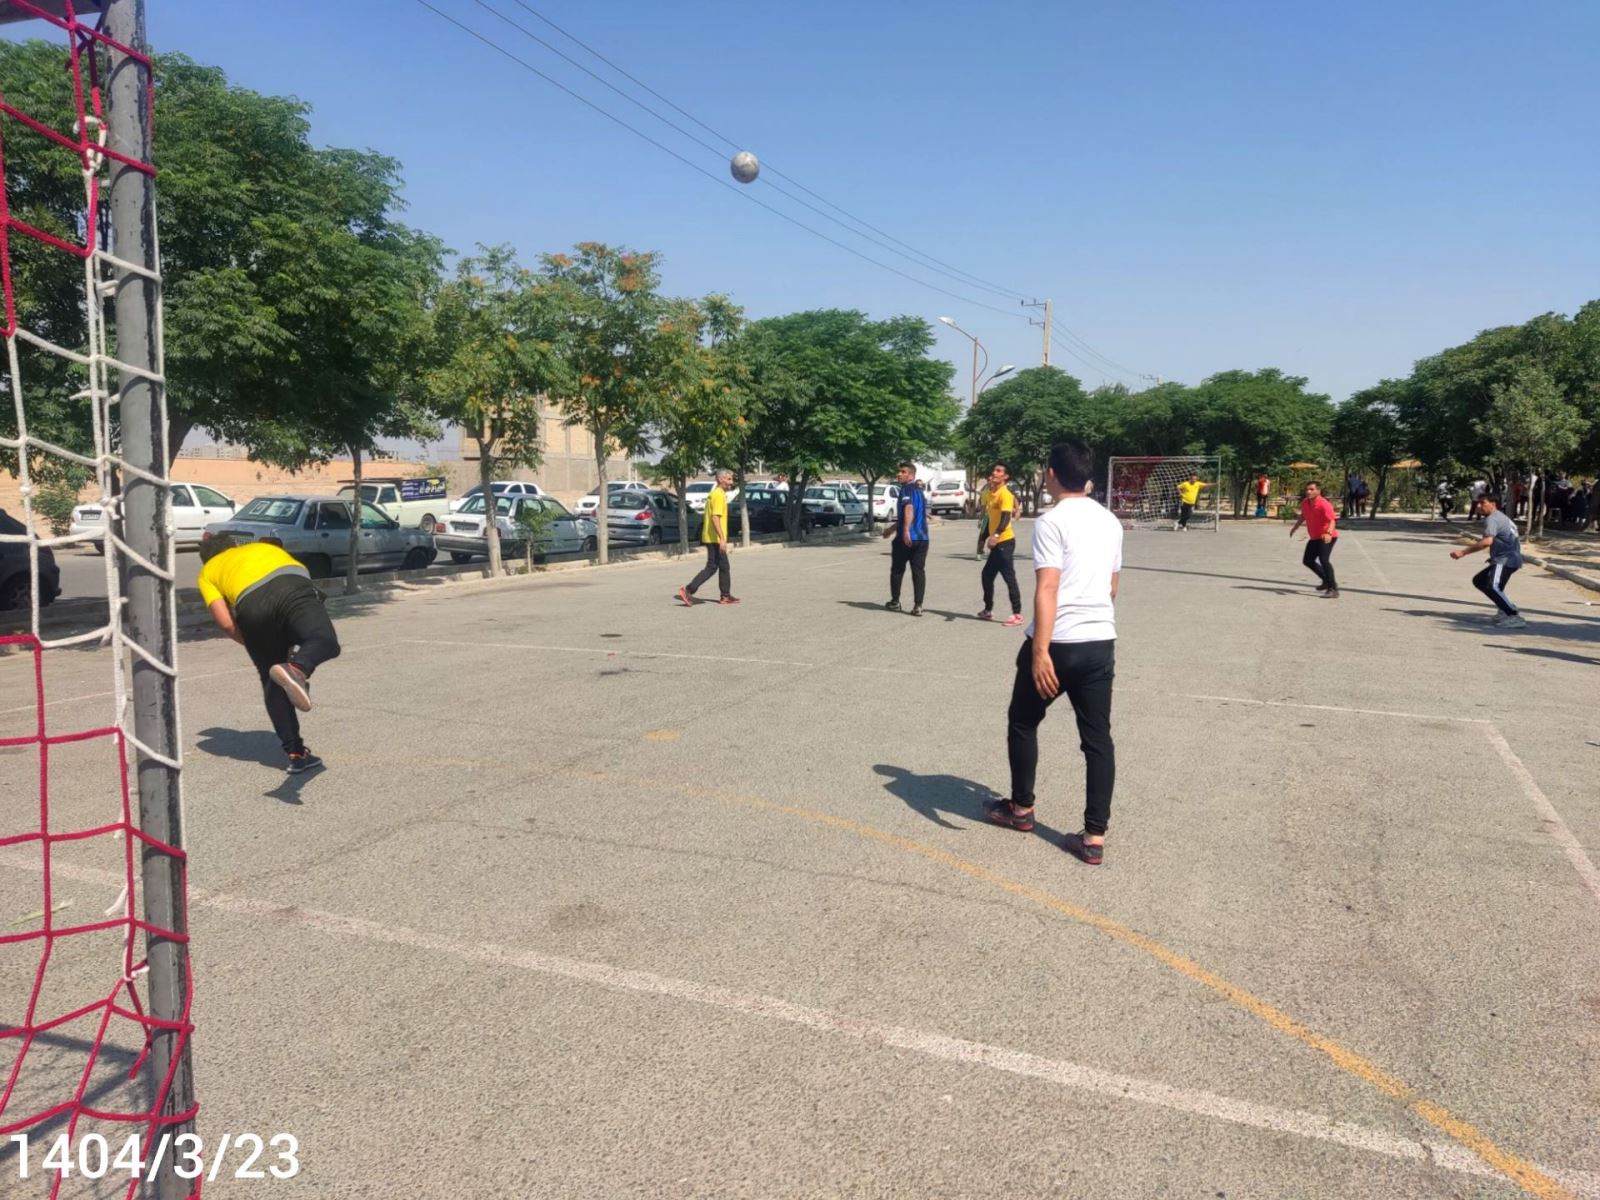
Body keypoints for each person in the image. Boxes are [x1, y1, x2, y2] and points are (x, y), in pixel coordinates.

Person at [984, 438, 1122, 866]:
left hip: (1058, 642)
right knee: (1097, 740)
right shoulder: (1110, 521)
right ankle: (1094, 838)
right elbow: (1112, 586)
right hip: (1099, 641)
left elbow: (1047, 587)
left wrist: (1041, 651)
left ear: (1051, 475)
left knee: (1023, 721)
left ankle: (1021, 808)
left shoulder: (1051, 521)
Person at [198, 533, 341, 775]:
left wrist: (255, 644)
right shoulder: (260, 548)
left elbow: (226, 623)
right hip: (291, 585)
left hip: (250, 604)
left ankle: (295, 753)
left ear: (206, 558)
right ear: (233, 545)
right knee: (324, 641)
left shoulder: (207, 572)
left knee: (271, 678)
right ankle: (298, 668)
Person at [1451, 492, 1525, 628]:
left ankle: (1513, 615)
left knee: (1492, 586)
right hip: (1507, 559)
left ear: (1493, 504)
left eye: (1483, 503)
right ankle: (1504, 610)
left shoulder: (1492, 519)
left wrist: (1463, 552)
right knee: (1480, 581)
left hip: (1506, 560)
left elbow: (1487, 542)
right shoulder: (1501, 517)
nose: (1479, 506)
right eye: (1478, 503)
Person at [677, 469, 739, 606]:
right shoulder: (718, 495)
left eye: (732, 479)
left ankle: (725, 595)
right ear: (720, 479)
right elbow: (715, 518)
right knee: (715, 566)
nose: (731, 482)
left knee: (719, 566)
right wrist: (722, 538)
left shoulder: (716, 493)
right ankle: (688, 590)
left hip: (711, 536)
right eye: (729, 479)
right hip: (715, 538)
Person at [978, 463, 1023, 626]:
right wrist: (985, 537)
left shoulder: (1005, 494)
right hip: (996, 543)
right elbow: (990, 518)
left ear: (1005, 476)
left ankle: (1017, 614)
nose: (994, 473)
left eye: (999, 471)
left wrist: (996, 535)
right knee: (987, 575)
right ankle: (988, 609)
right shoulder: (991, 493)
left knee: (1009, 577)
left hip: (1005, 542)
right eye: (994, 470)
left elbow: (1005, 518)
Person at [884, 461, 929, 616]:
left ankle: (895, 602)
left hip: (907, 538)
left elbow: (909, 509)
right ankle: (918, 606)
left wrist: (905, 531)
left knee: (897, 570)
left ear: (911, 475)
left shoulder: (906, 489)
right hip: (922, 539)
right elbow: (913, 513)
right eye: (899, 471)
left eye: (903, 472)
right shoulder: (919, 491)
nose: (899, 474)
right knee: (918, 571)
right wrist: (891, 529)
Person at [1289, 480, 1339, 598]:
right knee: (1308, 560)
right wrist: (1295, 528)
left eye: (1311, 489)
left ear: (1318, 491)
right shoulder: (1305, 503)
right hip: (1315, 537)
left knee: (1324, 560)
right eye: (1307, 489)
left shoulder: (1324, 504)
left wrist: (1328, 533)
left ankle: (1333, 589)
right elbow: (1303, 516)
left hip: (1327, 536)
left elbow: (1332, 520)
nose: (1308, 491)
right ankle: (1326, 580)